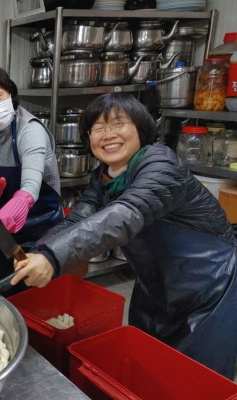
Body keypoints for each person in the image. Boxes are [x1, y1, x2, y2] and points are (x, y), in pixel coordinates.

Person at [13, 92, 237, 379]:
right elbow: (81, 217)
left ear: (141, 129)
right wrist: (41, 251)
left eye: (119, 124)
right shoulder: (104, 177)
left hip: (211, 287)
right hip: (156, 285)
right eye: (98, 128)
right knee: (145, 367)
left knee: (194, 378)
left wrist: (54, 259)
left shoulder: (160, 164)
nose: (108, 135)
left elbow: (125, 213)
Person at [0, 65, 62, 295]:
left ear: (11, 95)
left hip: (43, 226)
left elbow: (32, 183)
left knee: (41, 296)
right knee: (6, 289)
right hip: (3, 232)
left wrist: (21, 202)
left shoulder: (30, 129)